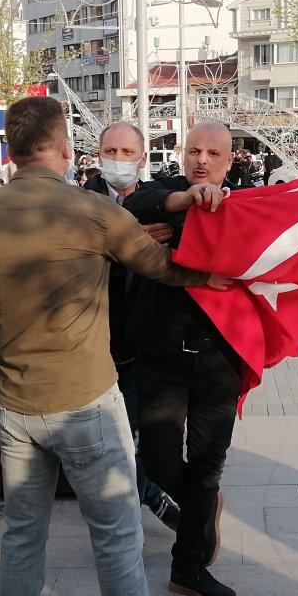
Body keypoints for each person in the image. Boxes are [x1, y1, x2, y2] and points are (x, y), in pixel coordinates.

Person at [0, 97, 221, 596]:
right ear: (64, 148)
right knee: (116, 535)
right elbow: (164, 268)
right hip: (87, 402)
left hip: (15, 406)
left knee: (22, 535)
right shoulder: (93, 211)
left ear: (10, 150)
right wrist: (216, 274)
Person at [121, 122, 246, 596]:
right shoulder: (162, 194)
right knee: (159, 461)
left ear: (229, 160)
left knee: (208, 464)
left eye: (213, 153)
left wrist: (173, 238)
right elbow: (138, 204)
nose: (202, 160)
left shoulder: (246, 206)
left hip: (219, 359)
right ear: (182, 154)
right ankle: (203, 504)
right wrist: (183, 204)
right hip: (161, 358)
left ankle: (188, 567)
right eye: (194, 151)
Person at [86, 121, 183, 531]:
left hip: (148, 345)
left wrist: (171, 235)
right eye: (111, 151)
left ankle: (151, 495)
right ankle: (153, 500)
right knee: (109, 440)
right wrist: (128, 243)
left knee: (146, 435)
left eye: (127, 152)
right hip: (96, 344)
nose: (119, 160)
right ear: (98, 155)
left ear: (142, 159)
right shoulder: (81, 202)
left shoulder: (159, 200)